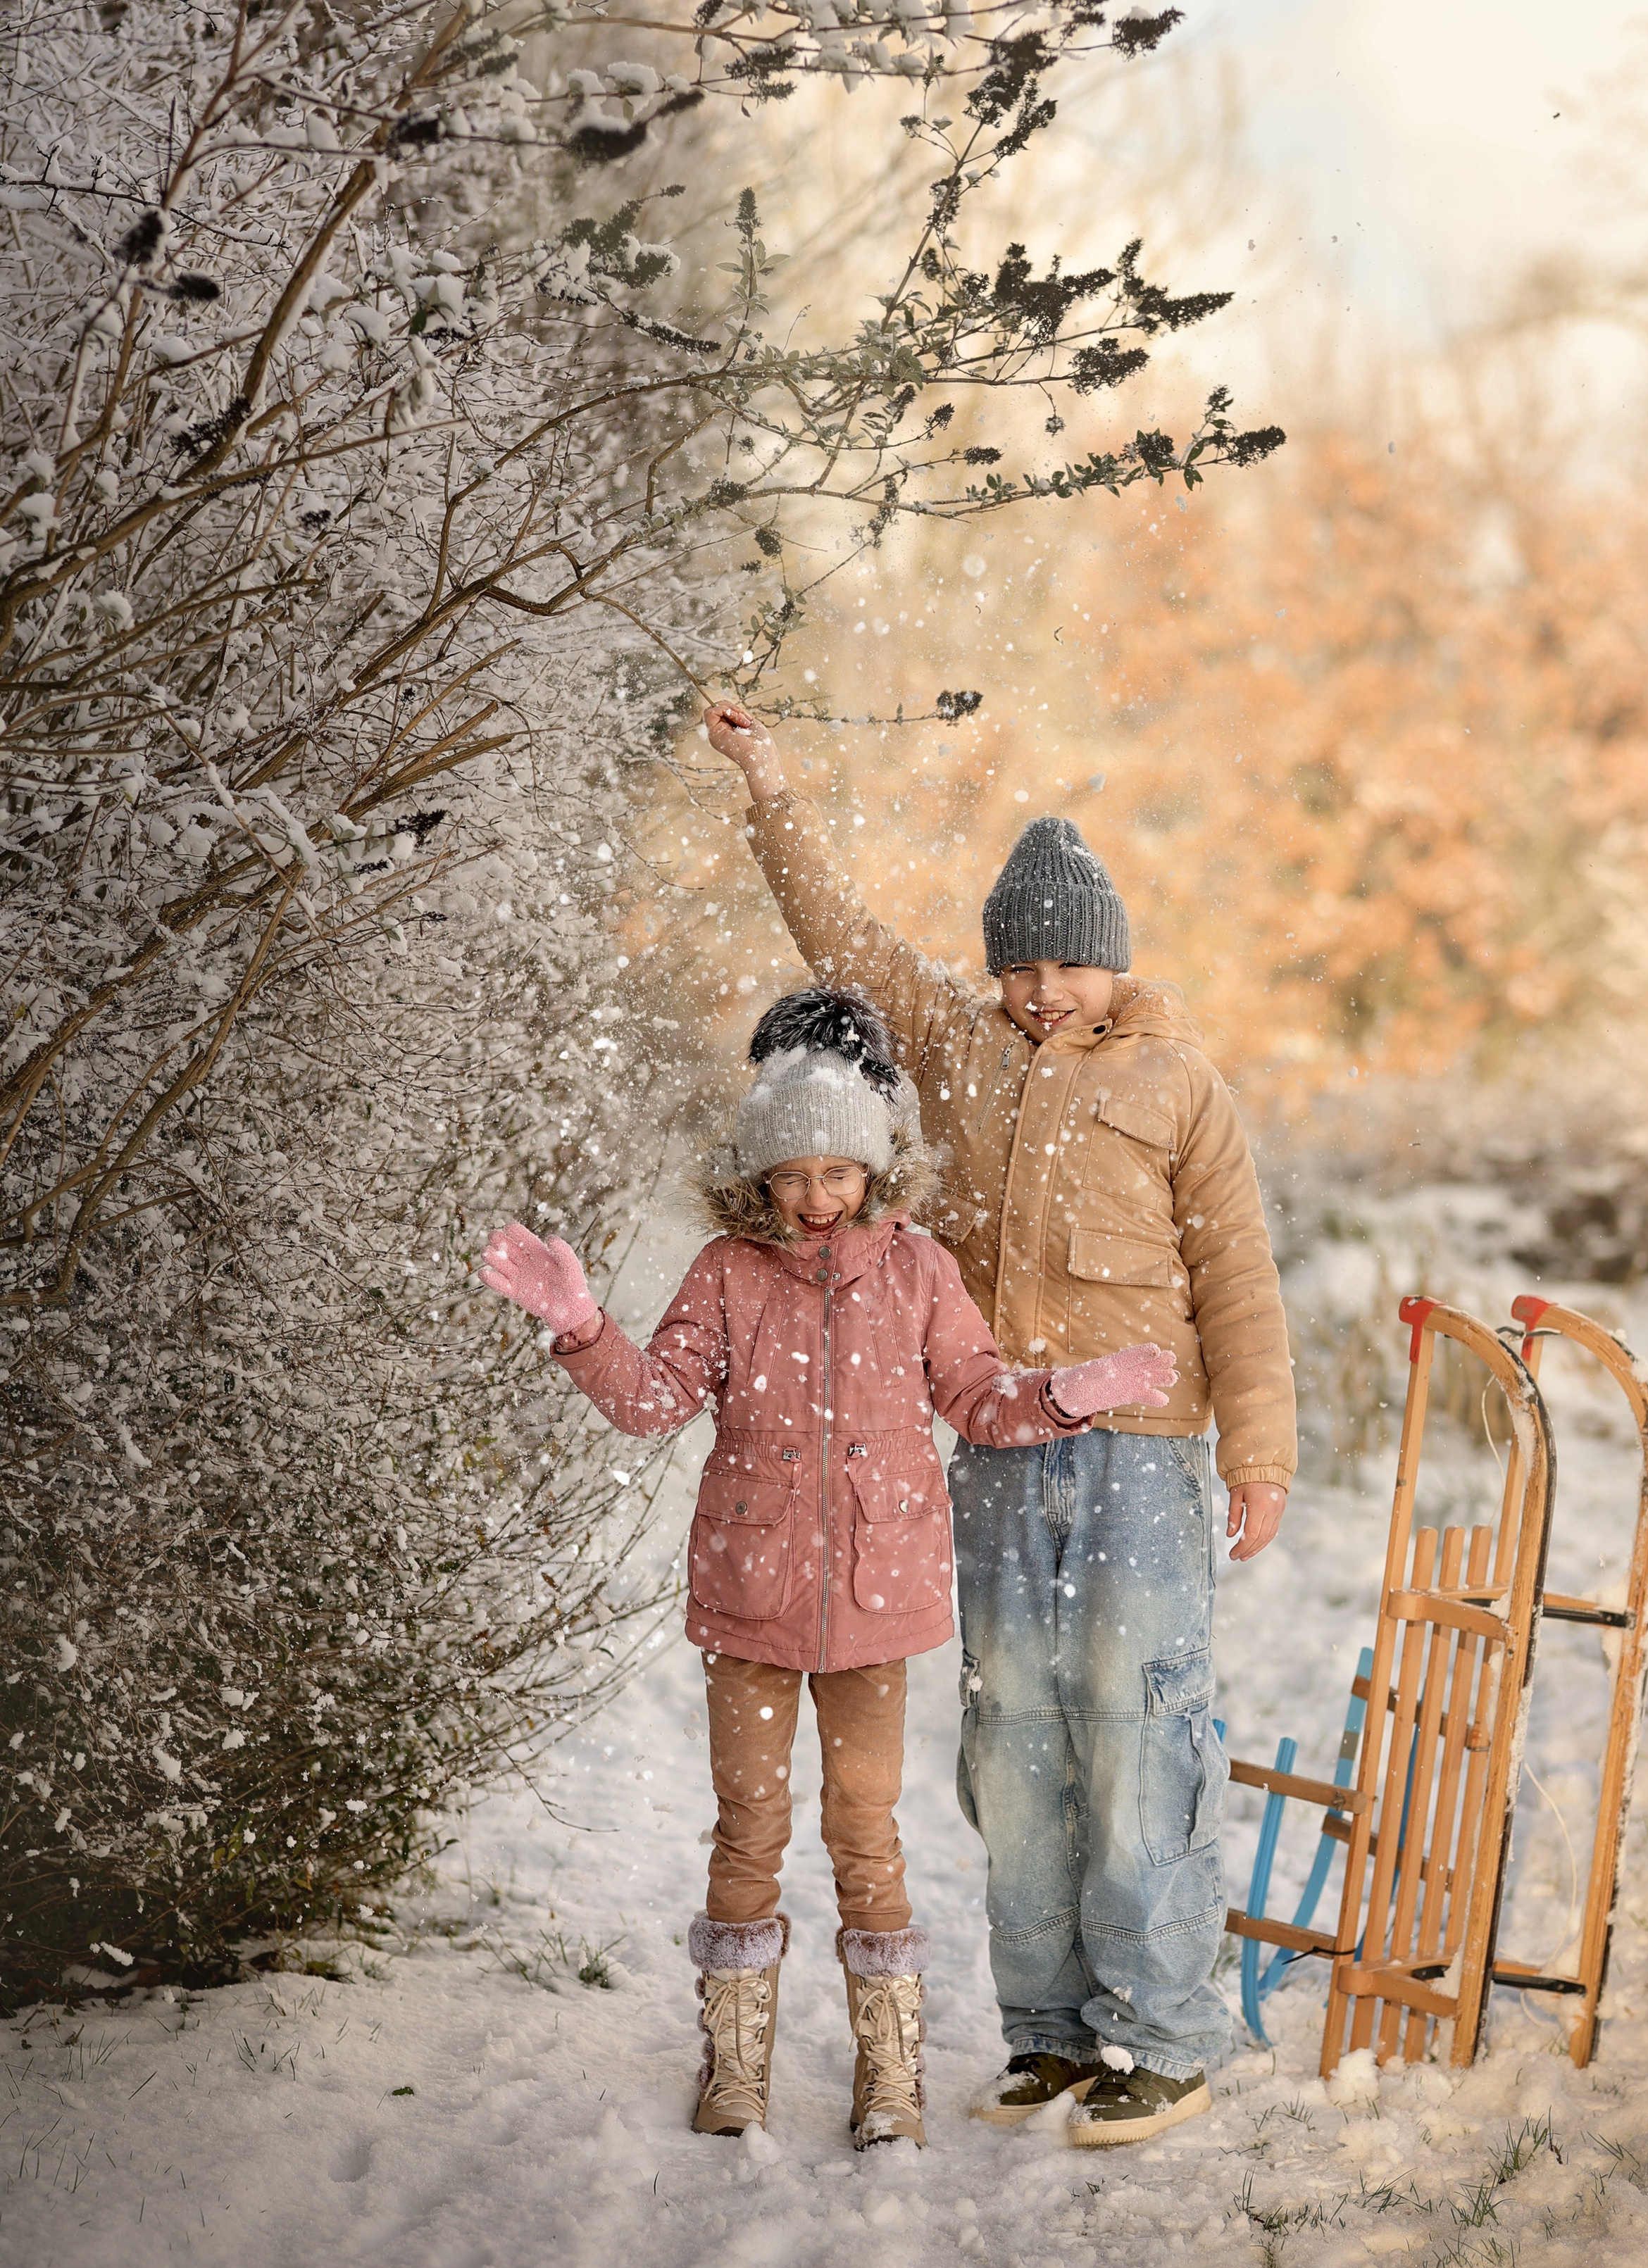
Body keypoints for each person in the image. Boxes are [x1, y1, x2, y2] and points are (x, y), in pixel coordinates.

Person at [704, 706, 1298, 2148]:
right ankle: (1049, 2031)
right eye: (1018, 966)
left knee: (1140, 1731)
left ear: (1116, 959)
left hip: (1142, 1459)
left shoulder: (1178, 1084)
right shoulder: (957, 1049)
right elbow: (838, 933)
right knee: (1015, 1740)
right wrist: (770, 782)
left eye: (1066, 964)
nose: (1040, 991)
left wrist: (1259, 1450)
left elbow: (1236, 1274)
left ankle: (1165, 2034)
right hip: (996, 1452)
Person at [480, 987, 1174, 2150]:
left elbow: (977, 1398)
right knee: (749, 1823)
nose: (817, 1195)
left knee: (866, 1828)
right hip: (751, 1599)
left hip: (874, 1602)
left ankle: (888, 2074)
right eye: (794, 1174)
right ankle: (736, 2064)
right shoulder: (726, 1271)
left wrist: (1063, 1395)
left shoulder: (918, 1272)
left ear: (875, 1167)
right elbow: (653, 1402)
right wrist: (584, 1330)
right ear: (760, 1174)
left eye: (840, 1172)